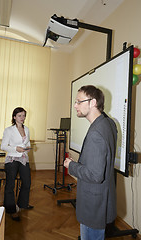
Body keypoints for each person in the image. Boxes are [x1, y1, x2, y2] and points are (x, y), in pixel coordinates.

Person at [64, 85, 117, 240]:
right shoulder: (108, 123)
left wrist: (71, 166)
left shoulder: (96, 133)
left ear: (93, 102)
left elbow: (95, 175)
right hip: (101, 198)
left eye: (79, 101)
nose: (75, 106)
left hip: (93, 203)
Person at [1, 107, 33, 221]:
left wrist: (27, 148)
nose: (22, 118)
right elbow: (3, 146)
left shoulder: (27, 129)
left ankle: (22, 204)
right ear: (14, 117)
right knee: (10, 185)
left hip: (23, 158)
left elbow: (27, 142)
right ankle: (11, 210)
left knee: (27, 182)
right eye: (19, 115)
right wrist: (16, 149)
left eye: (24, 115)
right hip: (12, 159)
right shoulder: (9, 130)